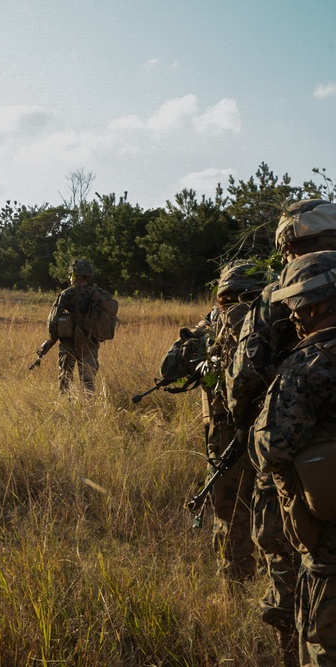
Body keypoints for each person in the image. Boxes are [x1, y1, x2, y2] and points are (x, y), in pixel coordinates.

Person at [228, 199, 336, 666]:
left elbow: (242, 385)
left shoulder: (279, 297)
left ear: (286, 244)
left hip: (301, 473)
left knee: (297, 572)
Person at [252, 248, 336, 666]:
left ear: (316, 303)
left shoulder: (311, 364)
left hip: (330, 545)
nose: (293, 316)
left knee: (323, 645)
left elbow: (272, 448)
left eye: (296, 306)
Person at [190, 262, 265, 581]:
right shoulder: (280, 318)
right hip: (278, 431)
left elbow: (175, 366)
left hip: (225, 432)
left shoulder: (215, 321)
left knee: (229, 511)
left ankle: (234, 583)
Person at [44, 259, 111, 393]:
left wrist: (51, 340)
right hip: (89, 344)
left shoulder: (67, 294)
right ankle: (90, 409)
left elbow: (53, 320)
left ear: (74, 275)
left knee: (65, 380)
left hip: (68, 344)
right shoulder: (96, 294)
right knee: (88, 382)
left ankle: (66, 408)